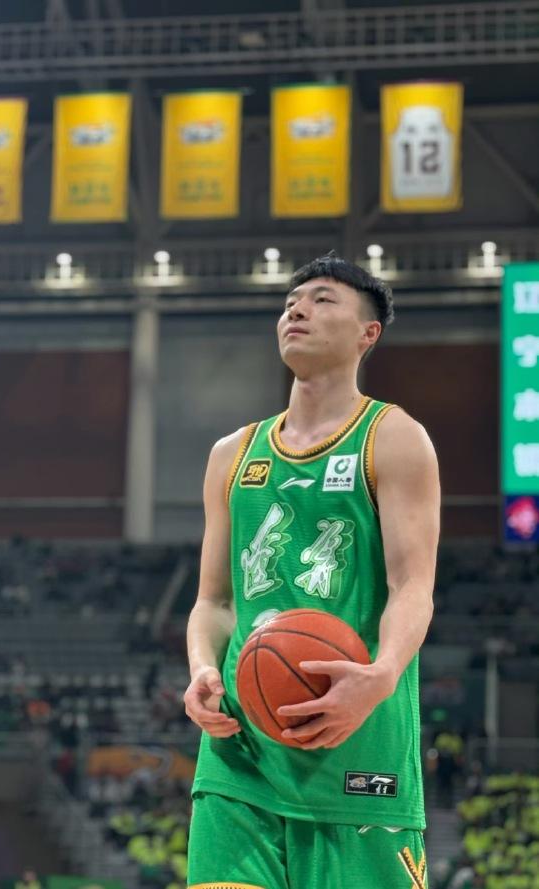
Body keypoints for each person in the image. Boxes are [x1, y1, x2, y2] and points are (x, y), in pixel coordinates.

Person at [183, 253, 440, 888]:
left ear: (367, 333)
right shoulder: (232, 454)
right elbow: (214, 602)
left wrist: (381, 675)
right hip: (240, 755)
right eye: (291, 302)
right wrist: (202, 670)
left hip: (357, 751)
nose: (297, 310)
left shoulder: (393, 437)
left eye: (323, 300)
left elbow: (413, 588)